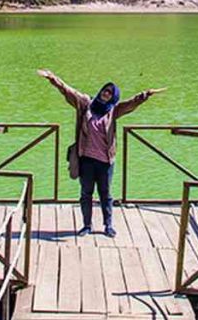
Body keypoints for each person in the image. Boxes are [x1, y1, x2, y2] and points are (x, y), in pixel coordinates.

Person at [37, 69, 165, 237]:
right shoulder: (85, 104)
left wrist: (144, 95)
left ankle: (108, 225)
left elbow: (130, 104)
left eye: (110, 93)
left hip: (105, 161)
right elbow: (68, 91)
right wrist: (53, 79)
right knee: (86, 193)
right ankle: (86, 225)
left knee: (106, 194)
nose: (106, 94)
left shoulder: (114, 111)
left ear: (113, 97)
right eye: (105, 90)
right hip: (86, 159)